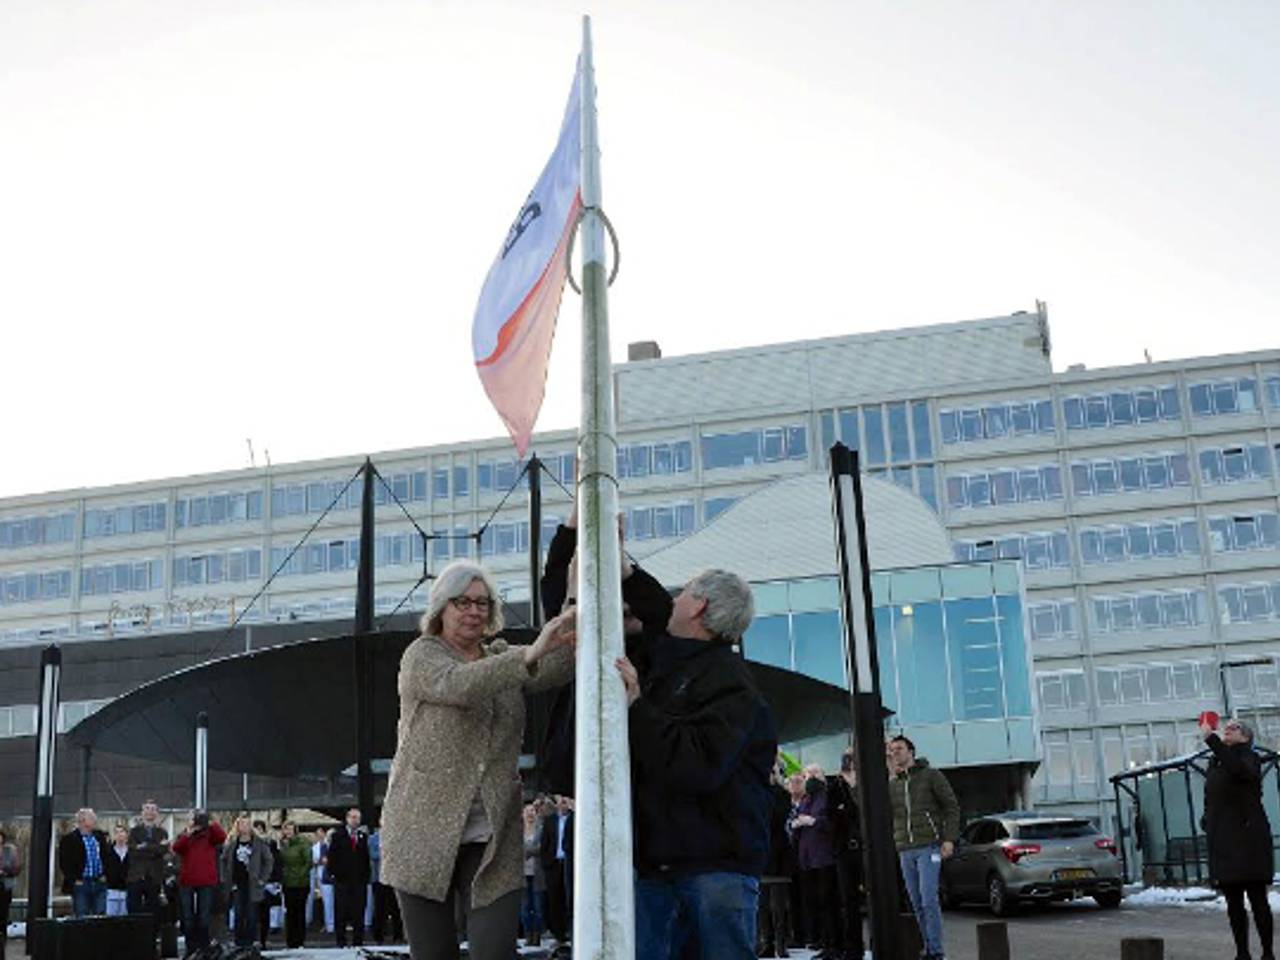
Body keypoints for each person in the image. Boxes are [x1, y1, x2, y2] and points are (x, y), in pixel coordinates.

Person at [379, 560, 576, 960]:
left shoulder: (500, 655)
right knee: (434, 954)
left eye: (482, 603)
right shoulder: (422, 656)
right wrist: (529, 655)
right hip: (421, 831)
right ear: (440, 608)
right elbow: (461, 685)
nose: (474, 611)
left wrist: (575, 597)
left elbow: (560, 661)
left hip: (492, 836)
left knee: (495, 951)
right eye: (462, 602)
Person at [617, 567, 778, 960]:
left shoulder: (730, 685)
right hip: (666, 867)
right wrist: (628, 573)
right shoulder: (684, 664)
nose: (674, 600)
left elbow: (696, 765)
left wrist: (637, 708)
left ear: (699, 606)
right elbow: (658, 611)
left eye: (684, 593)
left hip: (711, 872)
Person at [1200, 716, 1275, 960]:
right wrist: (1207, 819)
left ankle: (1267, 953)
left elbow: (1239, 770)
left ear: (1246, 737)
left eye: (1235, 728)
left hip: (1249, 839)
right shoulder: (1215, 762)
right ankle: (1242, 953)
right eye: (1226, 728)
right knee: (1233, 904)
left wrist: (1211, 739)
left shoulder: (1249, 758)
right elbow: (1211, 796)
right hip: (1223, 840)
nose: (1228, 730)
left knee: (1258, 900)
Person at [887, 735, 959, 960]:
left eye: (899, 749)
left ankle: (937, 951)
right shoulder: (893, 784)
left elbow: (951, 807)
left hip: (929, 846)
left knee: (929, 898)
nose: (895, 753)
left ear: (911, 751)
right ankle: (928, 948)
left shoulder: (931, 776)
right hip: (904, 848)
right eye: (891, 750)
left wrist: (949, 839)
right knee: (916, 902)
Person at [792, 764, 840, 958]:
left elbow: (833, 822)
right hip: (807, 857)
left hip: (824, 856)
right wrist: (796, 823)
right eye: (807, 774)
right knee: (815, 901)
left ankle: (833, 942)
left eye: (814, 773)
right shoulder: (806, 798)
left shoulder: (827, 796)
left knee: (828, 900)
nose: (810, 777)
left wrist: (813, 821)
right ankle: (821, 939)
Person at [828, 747, 866, 960]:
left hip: (867, 849)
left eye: (852, 756)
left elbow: (863, 811)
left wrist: (854, 790)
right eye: (845, 757)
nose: (848, 760)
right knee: (848, 901)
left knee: (872, 897)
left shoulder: (867, 784)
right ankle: (854, 949)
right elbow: (831, 815)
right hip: (844, 850)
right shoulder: (835, 786)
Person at [758, 758, 797, 959]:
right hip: (763, 854)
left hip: (779, 854)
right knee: (762, 905)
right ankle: (767, 942)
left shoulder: (782, 794)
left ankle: (781, 943)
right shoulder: (757, 793)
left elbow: (777, 816)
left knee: (779, 905)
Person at [172, 809, 226, 952]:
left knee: (204, 916)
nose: (195, 821)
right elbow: (176, 848)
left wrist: (210, 823)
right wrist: (188, 833)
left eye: (197, 818)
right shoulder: (185, 835)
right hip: (187, 880)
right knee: (188, 917)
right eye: (192, 818)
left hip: (206, 880)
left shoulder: (210, 835)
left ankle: (204, 948)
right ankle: (191, 949)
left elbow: (221, 837)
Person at [220, 815, 273, 948]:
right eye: (242, 824)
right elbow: (223, 860)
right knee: (238, 913)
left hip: (253, 883)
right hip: (237, 883)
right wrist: (225, 877)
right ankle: (239, 941)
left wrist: (263, 878)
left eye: (247, 824)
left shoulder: (259, 843)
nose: (244, 826)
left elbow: (268, 861)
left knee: (251, 913)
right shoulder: (233, 844)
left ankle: (250, 941)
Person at [328, 808, 371, 947]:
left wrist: (366, 877)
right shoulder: (337, 835)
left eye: (357, 818)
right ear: (347, 818)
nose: (355, 820)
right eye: (353, 817)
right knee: (341, 911)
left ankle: (358, 942)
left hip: (359, 881)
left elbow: (365, 858)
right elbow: (331, 857)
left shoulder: (363, 836)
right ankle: (341, 941)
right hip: (342, 880)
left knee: (359, 911)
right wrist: (333, 874)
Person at [58, 808, 109, 917]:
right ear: (83, 821)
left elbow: (106, 857)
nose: (95, 820)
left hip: (99, 882)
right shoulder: (69, 839)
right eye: (92, 818)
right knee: (82, 915)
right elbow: (64, 863)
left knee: (100, 915)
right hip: (81, 884)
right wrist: (75, 879)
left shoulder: (99, 837)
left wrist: (105, 875)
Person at [127, 799, 170, 927]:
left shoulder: (162, 832)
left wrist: (143, 847)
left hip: (154, 876)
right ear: (142, 812)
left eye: (153, 809)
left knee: (154, 912)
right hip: (136, 876)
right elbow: (133, 851)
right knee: (134, 910)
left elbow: (163, 850)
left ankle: (152, 939)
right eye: (147, 808)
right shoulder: (134, 832)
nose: (149, 812)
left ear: (157, 813)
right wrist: (154, 847)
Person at [539, 795, 574, 951]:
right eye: (560, 801)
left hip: (570, 863)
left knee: (571, 897)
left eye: (565, 801)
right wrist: (546, 863)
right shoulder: (550, 820)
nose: (562, 804)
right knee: (554, 899)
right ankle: (558, 935)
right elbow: (544, 843)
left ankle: (571, 931)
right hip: (554, 865)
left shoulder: (576, 819)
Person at [279, 821, 313, 948]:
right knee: (290, 912)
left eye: (290, 829)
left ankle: (300, 941)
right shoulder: (282, 844)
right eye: (285, 829)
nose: (288, 832)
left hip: (300, 883)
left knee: (299, 912)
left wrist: (299, 876)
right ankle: (290, 941)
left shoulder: (303, 843)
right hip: (287, 883)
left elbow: (308, 862)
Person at [368, 824, 402, 944]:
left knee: (395, 908)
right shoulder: (372, 839)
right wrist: (386, 852)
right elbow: (372, 855)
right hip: (379, 878)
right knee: (379, 908)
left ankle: (398, 935)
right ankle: (378, 936)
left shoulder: (396, 837)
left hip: (393, 878)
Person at [520, 803, 547, 947]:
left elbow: (542, 848)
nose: (530, 813)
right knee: (524, 909)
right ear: (523, 814)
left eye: (532, 811)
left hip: (537, 874)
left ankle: (537, 936)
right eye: (527, 811)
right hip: (522, 874)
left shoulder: (541, 829)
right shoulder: (518, 831)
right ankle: (527, 934)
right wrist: (530, 850)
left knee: (538, 908)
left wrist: (527, 851)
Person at [254, 820, 283, 948]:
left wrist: (276, 880)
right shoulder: (249, 844)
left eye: (260, 828)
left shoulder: (270, 844)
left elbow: (276, 863)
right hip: (254, 883)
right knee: (254, 913)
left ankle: (262, 940)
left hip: (267, 883)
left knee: (264, 912)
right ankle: (256, 939)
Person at [0, 826, 21, 955]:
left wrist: (4, 872)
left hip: (5, 887)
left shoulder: (10, 850)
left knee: (3, 917)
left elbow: (17, 868)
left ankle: (2, 946)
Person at [310, 826, 334, 933]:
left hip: (336, 877)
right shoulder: (319, 847)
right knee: (327, 902)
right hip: (324, 877)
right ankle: (329, 926)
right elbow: (316, 860)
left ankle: (335, 925)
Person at [104, 824, 131, 917]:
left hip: (128, 891)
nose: (119, 835)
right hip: (111, 891)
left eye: (122, 832)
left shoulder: (132, 851)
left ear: (127, 834)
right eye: (116, 832)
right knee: (111, 919)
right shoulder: (107, 851)